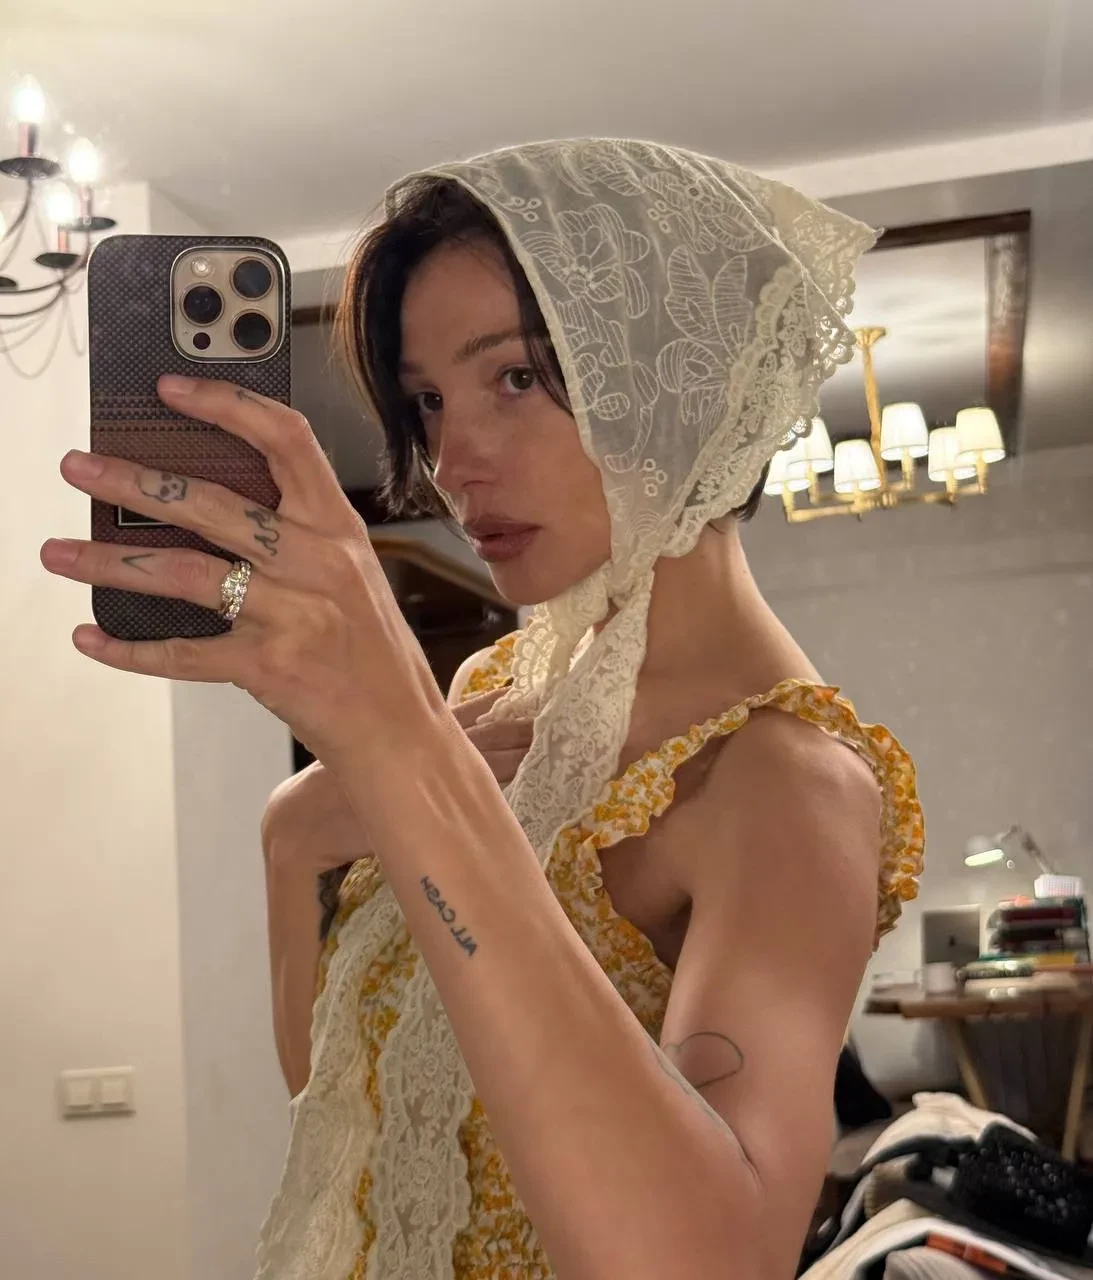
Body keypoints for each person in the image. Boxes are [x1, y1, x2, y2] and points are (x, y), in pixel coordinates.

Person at [41, 139, 924, 1280]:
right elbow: (349, 1114)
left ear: (680, 379)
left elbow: (709, 1261)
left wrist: (405, 760)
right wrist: (294, 835)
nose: (452, 461)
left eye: (513, 378)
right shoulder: (492, 698)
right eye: (426, 400)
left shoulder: (783, 779)